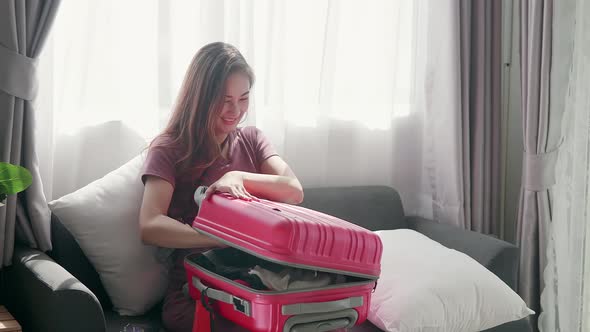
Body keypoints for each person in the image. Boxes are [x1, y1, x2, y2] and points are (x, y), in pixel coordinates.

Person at [139, 42, 304, 332]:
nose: (235, 110)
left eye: (243, 98)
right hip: (200, 291)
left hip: (260, 284)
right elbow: (150, 225)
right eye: (224, 99)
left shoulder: (252, 140)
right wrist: (224, 238)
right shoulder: (169, 149)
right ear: (200, 98)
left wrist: (238, 177)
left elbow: (293, 190)